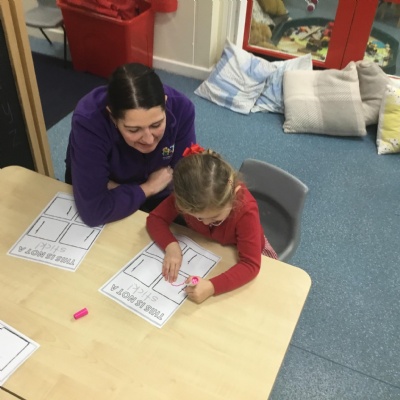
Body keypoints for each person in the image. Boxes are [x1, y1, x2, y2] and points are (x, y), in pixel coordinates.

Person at [65, 63, 196, 227]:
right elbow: (94, 210)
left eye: (156, 125)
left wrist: (117, 189)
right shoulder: (89, 121)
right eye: (134, 130)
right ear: (113, 117)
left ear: (165, 103)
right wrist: (148, 188)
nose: (148, 140)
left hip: (126, 190)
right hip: (148, 185)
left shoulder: (182, 108)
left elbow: (185, 181)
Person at [146, 145, 278, 304]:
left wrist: (212, 287)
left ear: (233, 196)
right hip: (210, 249)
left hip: (251, 252)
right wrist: (171, 247)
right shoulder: (188, 196)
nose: (206, 223)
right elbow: (155, 219)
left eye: (215, 218)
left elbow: (251, 264)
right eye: (198, 218)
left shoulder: (245, 210)